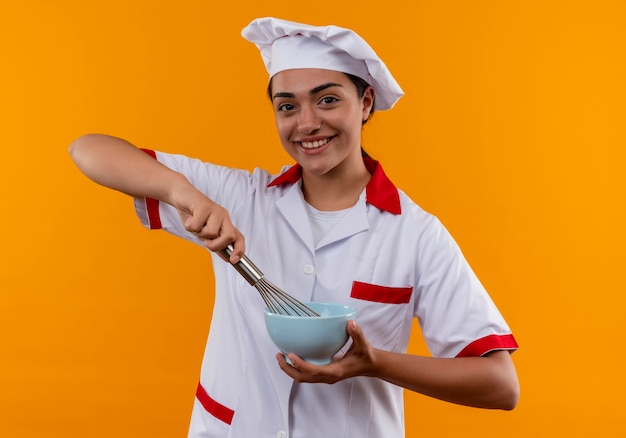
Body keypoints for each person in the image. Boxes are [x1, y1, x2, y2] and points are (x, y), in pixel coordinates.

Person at [69, 16, 519, 438]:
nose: (306, 124)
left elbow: (500, 385)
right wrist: (186, 195)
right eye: (287, 106)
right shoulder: (241, 198)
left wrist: (371, 363)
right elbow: (88, 149)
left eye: (327, 99)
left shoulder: (417, 235)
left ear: (364, 103)